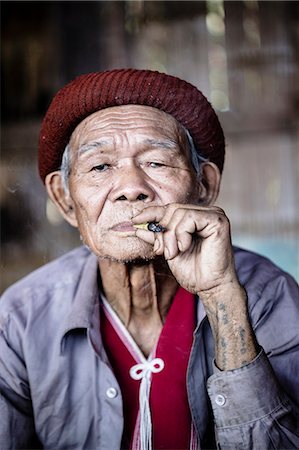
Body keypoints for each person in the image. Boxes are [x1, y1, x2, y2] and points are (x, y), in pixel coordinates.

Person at [0, 69, 298, 450]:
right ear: (64, 200)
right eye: (100, 166)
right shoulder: (21, 318)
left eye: (156, 162)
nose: (131, 189)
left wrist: (222, 296)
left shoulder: (268, 295)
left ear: (203, 185)